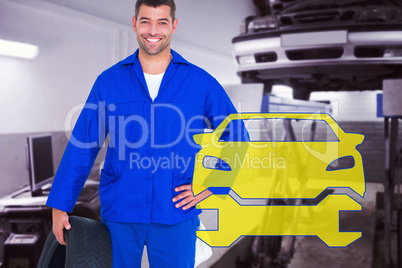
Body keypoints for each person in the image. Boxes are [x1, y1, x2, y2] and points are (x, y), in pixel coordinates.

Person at [46, 0, 239, 267]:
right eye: (146, 21)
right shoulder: (109, 81)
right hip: (121, 209)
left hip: (175, 210)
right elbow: (83, 144)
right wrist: (60, 205)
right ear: (135, 23)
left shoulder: (201, 83)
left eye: (162, 22)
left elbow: (237, 137)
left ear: (174, 26)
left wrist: (210, 184)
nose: (153, 30)